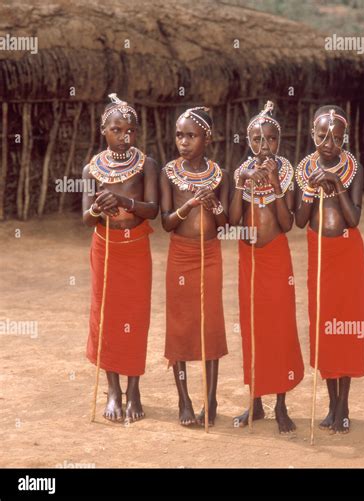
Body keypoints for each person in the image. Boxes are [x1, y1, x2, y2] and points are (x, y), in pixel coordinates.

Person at [82, 93, 159, 423]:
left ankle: (135, 388)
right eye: (117, 130)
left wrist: (125, 203)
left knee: (136, 315)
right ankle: (113, 389)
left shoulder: (147, 165)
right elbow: (86, 217)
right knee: (108, 315)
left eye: (130, 131)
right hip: (106, 247)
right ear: (104, 130)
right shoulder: (91, 169)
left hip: (136, 247)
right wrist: (99, 207)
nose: (124, 136)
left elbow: (153, 210)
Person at [229, 101, 304, 434]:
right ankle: (255, 402)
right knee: (252, 327)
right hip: (249, 260)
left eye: (270, 139)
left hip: (276, 258)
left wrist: (273, 184)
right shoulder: (241, 171)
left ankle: (281, 405)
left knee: (280, 328)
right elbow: (232, 221)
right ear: (249, 142)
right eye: (257, 140)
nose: (264, 146)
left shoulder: (287, 172)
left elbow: (288, 224)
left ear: (279, 140)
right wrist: (241, 182)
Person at [295, 105, 364, 434]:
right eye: (322, 136)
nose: (328, 143)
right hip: (319, 252)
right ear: (312, 134)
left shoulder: (353, 168)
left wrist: (336, 182)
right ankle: (329, 402)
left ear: (345, 139)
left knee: (347, 325)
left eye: (336, 138)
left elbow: (353, 219)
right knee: (324, 325)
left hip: (347, 252)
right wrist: (312, 189)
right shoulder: (304, 169)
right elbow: (299, 221)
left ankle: (344, 404)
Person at [159, 107, 229, 427]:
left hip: (210, 256)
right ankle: (184, 399)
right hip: (181, 256)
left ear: (207, 138)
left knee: (210, 326)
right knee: (181, 326)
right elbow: (166, 223)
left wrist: (215, 206)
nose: (183, 142)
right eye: (179, 135)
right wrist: (188, 204)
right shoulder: (168, 172)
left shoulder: (220, 175)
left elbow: (225, 224)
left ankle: (210, 401)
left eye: (191, 136)